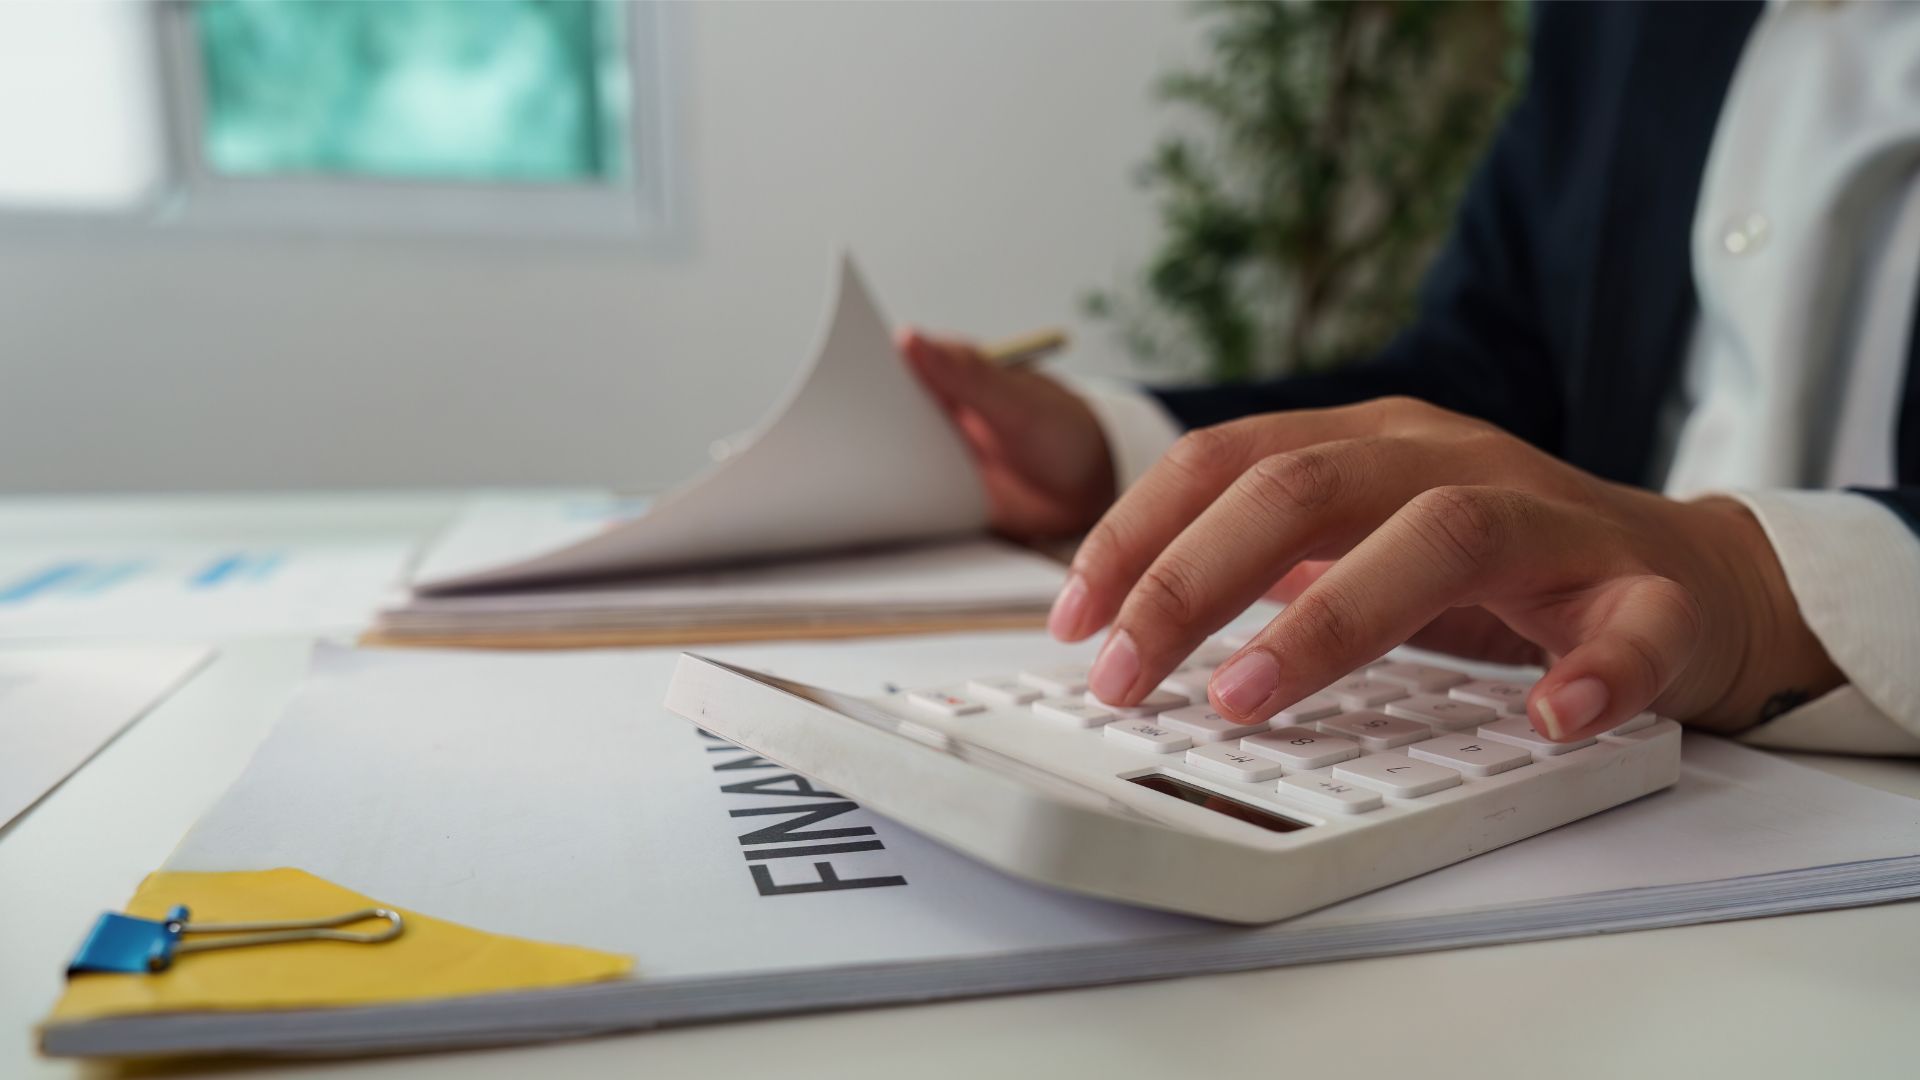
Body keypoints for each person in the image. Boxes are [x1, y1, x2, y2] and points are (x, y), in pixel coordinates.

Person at [899, 0, 1920, 756]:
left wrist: (1750, 581)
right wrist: (1109, 449)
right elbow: (1481, 378)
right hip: (1601, 762)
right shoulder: (1624, 20)